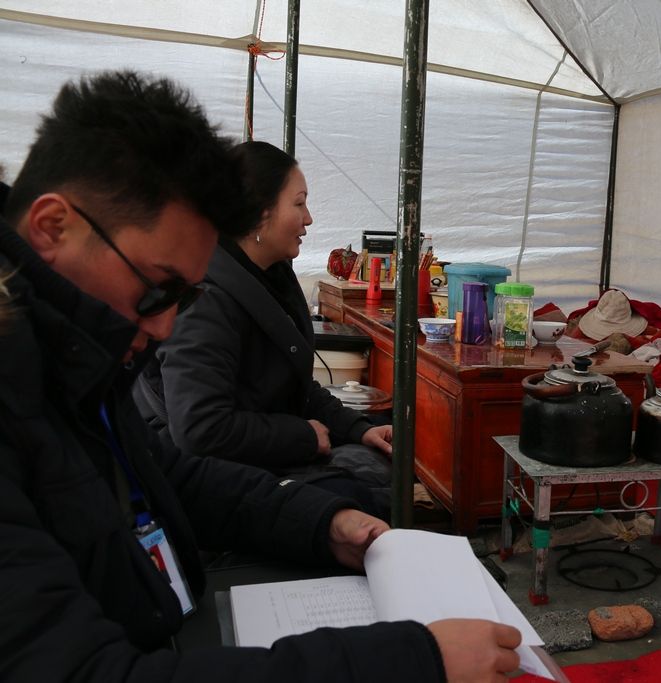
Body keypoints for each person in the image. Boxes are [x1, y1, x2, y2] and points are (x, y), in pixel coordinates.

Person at [0, 69, 520, 682]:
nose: (165, 327)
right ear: (53, 227)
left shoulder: (72, 360)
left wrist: (319, 523)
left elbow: (168, 475)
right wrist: (411, 662)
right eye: (157, 289)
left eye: (185, 299)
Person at [134, 141, 392, 519]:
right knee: (359, 498)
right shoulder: (206, 299)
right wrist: (303, 437)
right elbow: (201, 429)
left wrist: (357, 428)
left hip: (254, 452)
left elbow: (292, 384)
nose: (309, 219)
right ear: (259, 211)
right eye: (299, 203)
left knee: (381, 451)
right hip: (202, 478)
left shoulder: (270, 276)